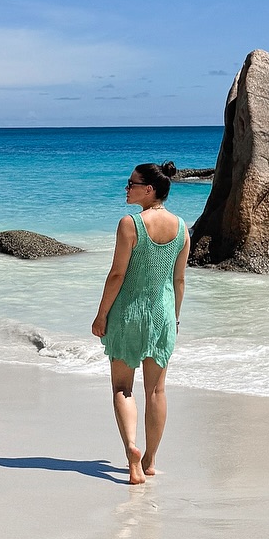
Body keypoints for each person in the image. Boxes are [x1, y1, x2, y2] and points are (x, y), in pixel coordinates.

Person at [91, 161, 188, 486]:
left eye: (131, 184)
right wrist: (174, 318)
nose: (126, 188)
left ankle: (131, 453)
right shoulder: (182, 228)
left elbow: (118, 274)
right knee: (157, 391)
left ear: (149, 189)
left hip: (128, 314)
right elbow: (179, 280)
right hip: (162, 315)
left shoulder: (130, 224)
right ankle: (149, 461)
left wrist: (101, 314)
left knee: (123, 388)